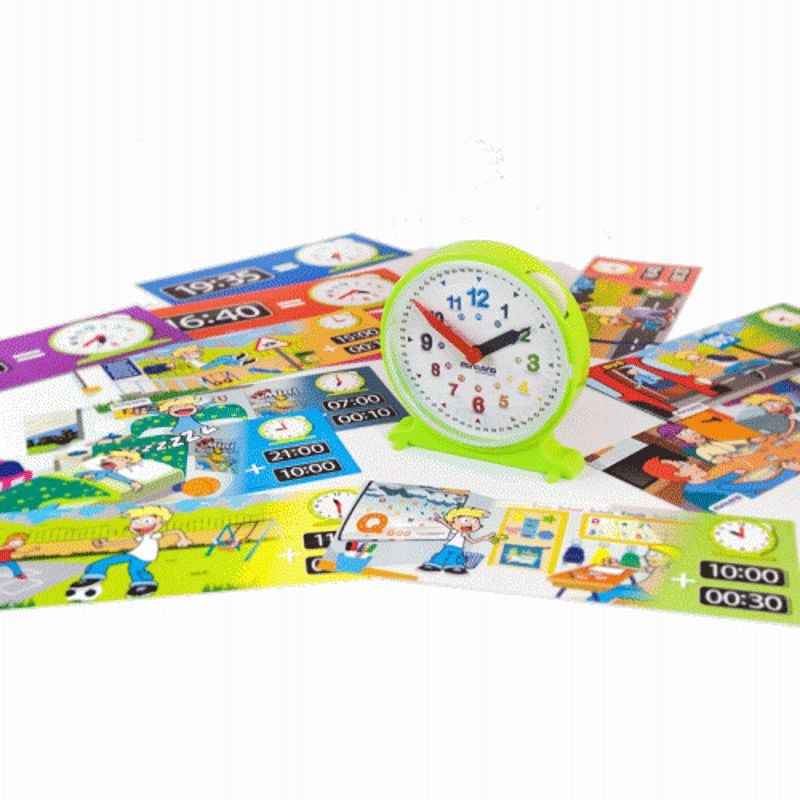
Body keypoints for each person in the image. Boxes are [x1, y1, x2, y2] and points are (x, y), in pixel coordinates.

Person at [66, 506, 192, 600]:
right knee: (108, 561)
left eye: (146, 521)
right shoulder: (142, 537)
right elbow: (127, 542)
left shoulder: (154, 535)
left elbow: (174, 531)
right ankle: (93, 575)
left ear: (160, 521)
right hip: (133, 554)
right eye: (136, 522)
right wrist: (107, 543)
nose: (140, 525)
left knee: (134, 570)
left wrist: (183, 539)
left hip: (144, 557)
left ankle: (143, 584)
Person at [641, 456, 800, 512]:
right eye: (683, 465)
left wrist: (734, 474)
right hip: (761, 504)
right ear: (678, 475)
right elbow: (767, 485)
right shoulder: (715, 488)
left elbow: (716, 483)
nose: (693, 464)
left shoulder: (690, 488)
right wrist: (790, 470)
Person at [419, 506, 493, 575]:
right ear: (454, 521)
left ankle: (454, 566)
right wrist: (440, 519)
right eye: (466, 520)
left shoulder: (465, 534)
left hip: (458, 549)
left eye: (475, 522)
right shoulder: (455, 530)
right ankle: (434, 564)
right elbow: (448, 526)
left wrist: (484, 538)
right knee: (442, 555)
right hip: (448, 546)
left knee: (454, 558)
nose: (470, 525)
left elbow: (472, 541)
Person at [75, 449, 144, 492]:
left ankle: (133, 483)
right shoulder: (119, 456)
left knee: (108, 473)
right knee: (108, 473)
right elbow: (112, 457)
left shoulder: (129, 458)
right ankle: (133, 483)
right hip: (107, 468)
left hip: (108, 468)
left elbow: (130, 460)